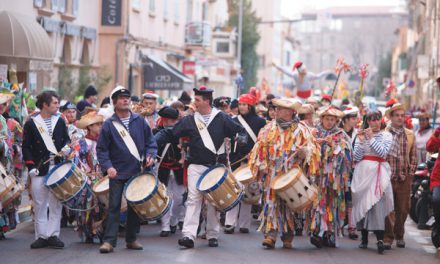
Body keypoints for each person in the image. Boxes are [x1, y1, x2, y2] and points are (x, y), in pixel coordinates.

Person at [164, 86, 247, 248]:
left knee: (213, 202)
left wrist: (241, 139)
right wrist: (154, 136)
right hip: (195, 165)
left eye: (197, 100)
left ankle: (212, 234)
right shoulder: (189, 119)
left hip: (216, 166)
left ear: (207, 101)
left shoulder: (222, 118)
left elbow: (240, 131)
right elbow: (172, 133)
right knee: (193, 199)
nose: (194, 102)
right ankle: (189, 235)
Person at [249, 98, 320, 249]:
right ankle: (271, 235)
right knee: (271, 203)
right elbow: (259, 149)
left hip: (292, 174)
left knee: (289, 204)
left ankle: (288, 235)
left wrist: (305, 153)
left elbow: (313, 150)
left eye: (284, 110)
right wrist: (261, 164)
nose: (280, 112)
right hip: (272, 172)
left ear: (292, 112)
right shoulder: (268, 129)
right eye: (279, 109)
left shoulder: (302, 130)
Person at [96, 86, 157, 253]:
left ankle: (131, 239)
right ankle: (109, 241)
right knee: (114, 206)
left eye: (127, 97)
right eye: (121, 98)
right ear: (114, 102)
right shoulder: (109, 125)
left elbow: (151, 143)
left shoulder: (139, 121)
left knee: (134, 208)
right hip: (117, 171)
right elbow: (102, 150)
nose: (125, 100)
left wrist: (150, 155)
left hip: (136, 170)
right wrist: (108, 167)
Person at [22, 90, 71, 249]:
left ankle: (53, 235)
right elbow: (26, 147)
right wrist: (30, 166)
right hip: (39, 168)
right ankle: (41, 236)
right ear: (45, 104)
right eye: (55, 103)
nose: (58, 106)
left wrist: (67, 150)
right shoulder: (31, 123)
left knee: (56, 203)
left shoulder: (60, 121)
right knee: (39, 203)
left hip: (56, 167)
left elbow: (66, 141)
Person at [351, 110, 394, 254]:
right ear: (367, 121)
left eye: (377, 119)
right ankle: (363, 238)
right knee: (363, 203)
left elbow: (383, 153)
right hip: (362, 173)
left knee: (377, 204)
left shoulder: (387, 135)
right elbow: (356, 156)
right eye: (371, 120)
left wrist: (371, 139)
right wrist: (362, 141)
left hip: (378, 173)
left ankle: (380, 239)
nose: (375, 122)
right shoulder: (361, 135)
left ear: (381, 120)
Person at [224, 93, 266, 234]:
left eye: (244, 104)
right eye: (240, 104)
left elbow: (262, 142)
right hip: (236, 159)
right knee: (234, 190)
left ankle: (244, 224)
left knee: (249, 191)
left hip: (251, 160)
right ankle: (229, 223)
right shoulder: (233, 120)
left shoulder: (260, 122)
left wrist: (255, 154)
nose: (241, 107)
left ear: (251, 105)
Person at [310, 106, 352, 248]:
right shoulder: (314, 132)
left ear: (336, 121)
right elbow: (307, 151)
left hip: (334, 179)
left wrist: (332, 145)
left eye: (332, 119)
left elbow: (346, 156)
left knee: (332, 204)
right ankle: (316, 231)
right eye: (327, 119)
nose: (329, 122)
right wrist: (319, 144)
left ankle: (329, 233)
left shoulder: (341, 134)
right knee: (317, 204)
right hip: (317, 176)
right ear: (321, 119)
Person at [383, 101, 417, 249]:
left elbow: (414, 156)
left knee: (403, 209)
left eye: (402, 116)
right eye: (396, 115)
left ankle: (400, 234)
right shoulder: (384, 134)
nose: (400, 118)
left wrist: (410, 174)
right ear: (391, 117)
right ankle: (388, 238)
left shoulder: (409, 135)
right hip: (388, 177)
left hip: (404, 177)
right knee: (388, 208)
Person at [154, 106, 185, 237]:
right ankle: (165, 226)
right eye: (170, 121)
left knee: (178, 198)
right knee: (165, 198)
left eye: (174, 121)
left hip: (178, 169)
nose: (172, 124)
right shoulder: (158, 133)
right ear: (164, 121)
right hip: (164, 170)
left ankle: (173, 221)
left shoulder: (183, 133)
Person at [75, 109, 105, 243]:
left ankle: (101, 230)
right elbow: (78, 161)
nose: (100, 127)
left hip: (102, 177)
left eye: (100, 124)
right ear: (90, 127)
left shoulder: (103, 141)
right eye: (97, 124)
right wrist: (87, 174)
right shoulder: (82, 143)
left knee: (102, 205)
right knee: (87, 205)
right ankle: (88, 231)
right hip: (87, 178)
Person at [340, 105, 360, 240]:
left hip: (354, 170)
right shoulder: (338, 132)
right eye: (353, 117)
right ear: (345, 119)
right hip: (339, 170)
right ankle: (339, 225)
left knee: (351, 199)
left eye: (355, 117)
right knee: (340, 197)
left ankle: (352, 227)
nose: (355, 120)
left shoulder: (358, 133)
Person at [426, 126, 440, 249]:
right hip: (438, 177)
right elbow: (430, 148)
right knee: (436, 199)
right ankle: (437, 223)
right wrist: (436, 135)